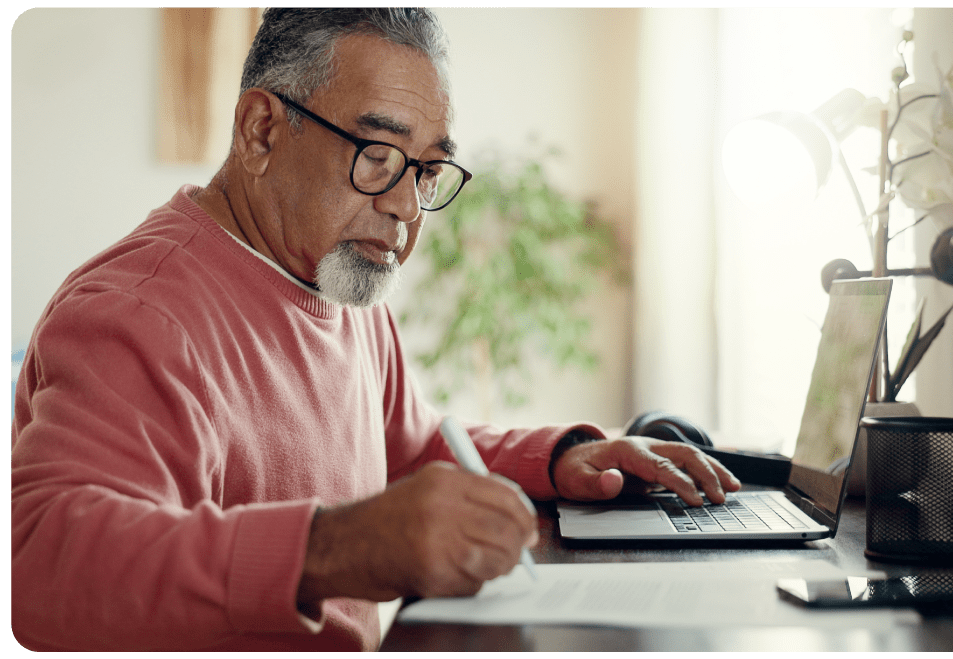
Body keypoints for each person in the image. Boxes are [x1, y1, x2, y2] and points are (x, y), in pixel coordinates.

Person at [10, 7, 739, 652]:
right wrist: (333, 548)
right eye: (377, 156)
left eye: (426, 172)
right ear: (261, 130)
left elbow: (411, 447)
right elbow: (40, 567)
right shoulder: (137, 314)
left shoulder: (338, 281)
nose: (407, 210)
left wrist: (563, 457)